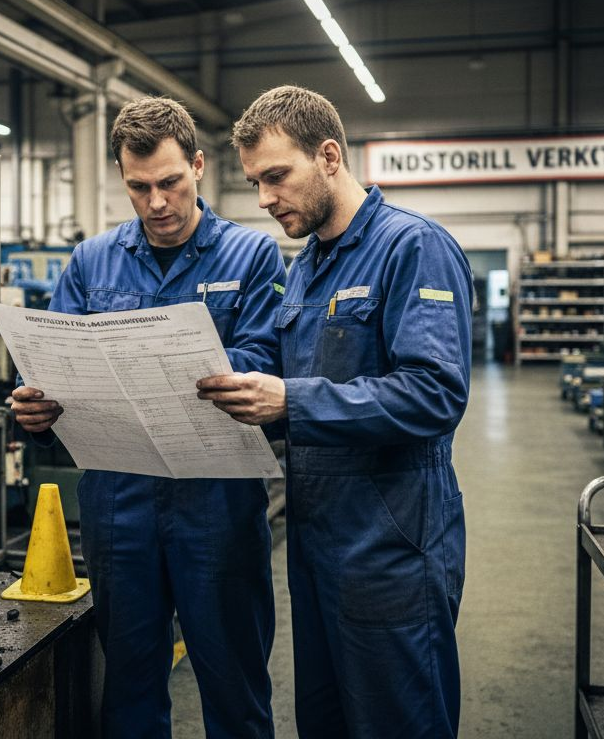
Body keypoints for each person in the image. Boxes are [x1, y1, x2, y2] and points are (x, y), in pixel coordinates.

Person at [197, 85, 472, 738]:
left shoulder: (412, 247)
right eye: (255, 182)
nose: (264, 199)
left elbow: (435, 392)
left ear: (328, 156)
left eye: (275, 176)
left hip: (391, 546)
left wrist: (290, 400)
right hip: (316, 542)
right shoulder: (307, 266)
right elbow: (287, 372)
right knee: (324, 721)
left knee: (397, 723)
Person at [9, 96, 285, 739]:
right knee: (129, 684)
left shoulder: (253, 255)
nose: (157, 202)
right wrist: (34, 401)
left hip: (217, 500)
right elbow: (48, 360)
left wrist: (182, 367)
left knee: (234, 682)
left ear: (198, 166)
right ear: (122, 178)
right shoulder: (91, 261)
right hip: (119, 501)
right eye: (139, 187)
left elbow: (265, 359)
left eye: (170, 183)